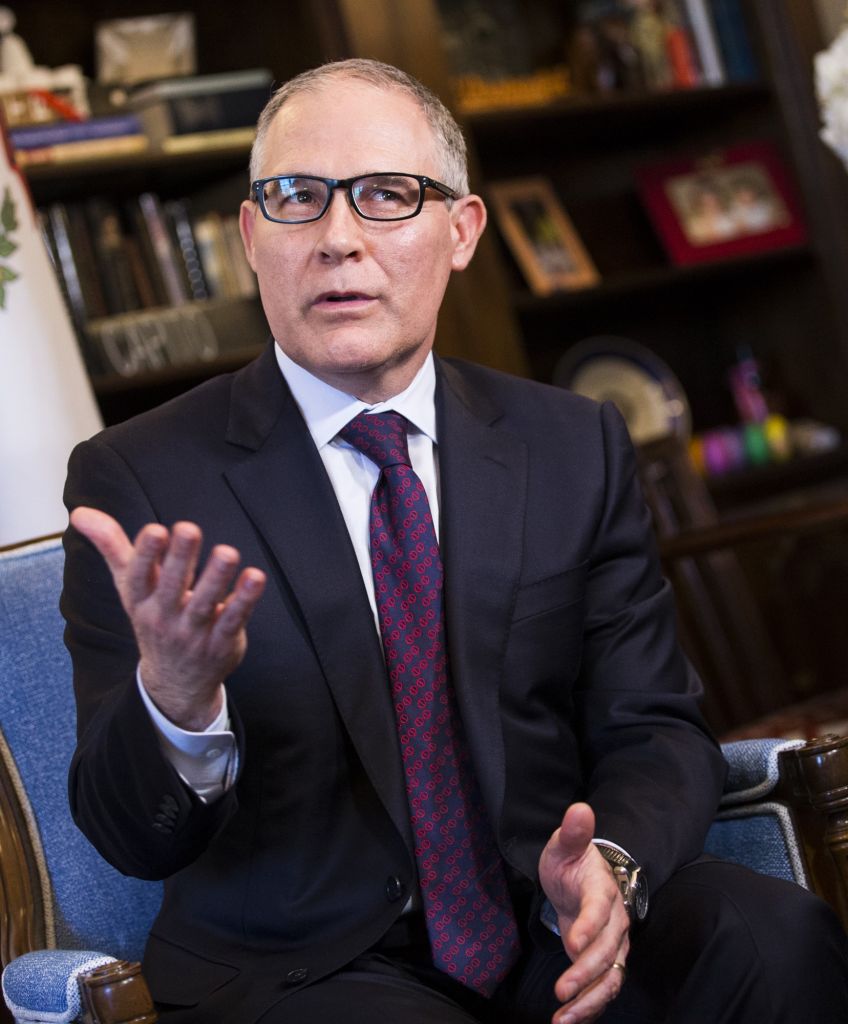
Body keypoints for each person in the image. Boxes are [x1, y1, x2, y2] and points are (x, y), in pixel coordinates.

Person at [62, 58, 848, 1024]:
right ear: (249, 238)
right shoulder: (140, 479)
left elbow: (653, 726)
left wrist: (611, 869)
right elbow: (126, 836)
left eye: (388, 196)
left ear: (462, 230)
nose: (339, 239)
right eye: (296, 199)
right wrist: (177, 701)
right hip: (309, 973)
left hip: (549, 921)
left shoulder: (573, 443)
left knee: (773, 939)